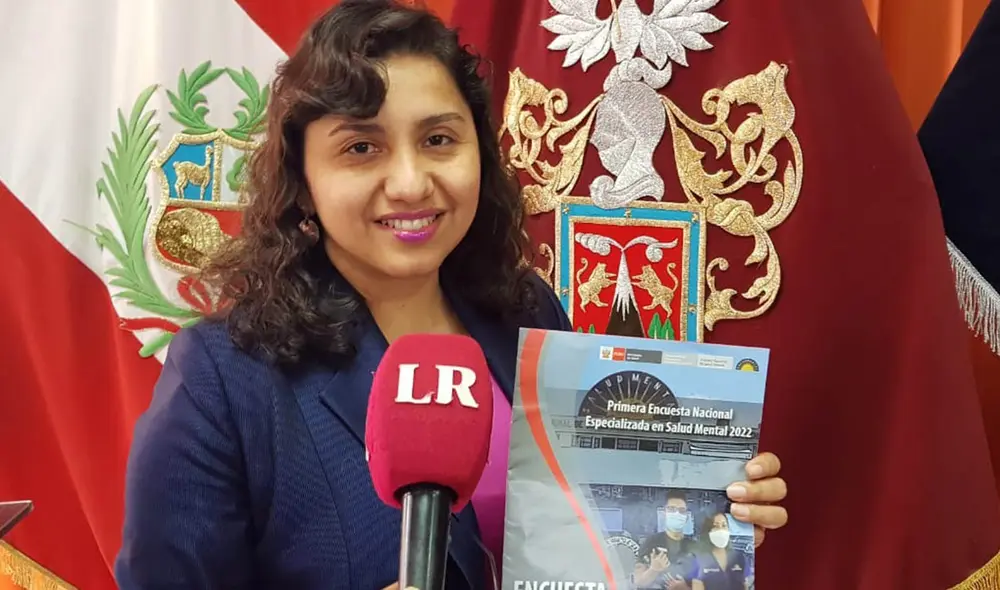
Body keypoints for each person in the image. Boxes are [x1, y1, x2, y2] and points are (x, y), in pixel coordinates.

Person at [112, 1, 789, 589]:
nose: (410, 183)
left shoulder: (526, 311)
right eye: (360, 149)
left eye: (438, 140)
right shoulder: (222, 378)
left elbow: (599, 546)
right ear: (303, 181)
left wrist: (695, 529)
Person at [633, 491, 698, 590]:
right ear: (664, 513)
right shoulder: (651, 542)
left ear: (686, 517)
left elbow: (705, 584)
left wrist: (684, 588)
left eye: (681, 510)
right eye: (672, 509)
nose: (677, 514)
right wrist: (654, 570)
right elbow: (638, 582)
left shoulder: (694, 547)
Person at [692, 513, 749, 590]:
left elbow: (745, 585)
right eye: (716, 526)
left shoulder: (740, 557)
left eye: (724, 526)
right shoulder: (698, 559)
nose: (721, 530)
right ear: (708, 531)